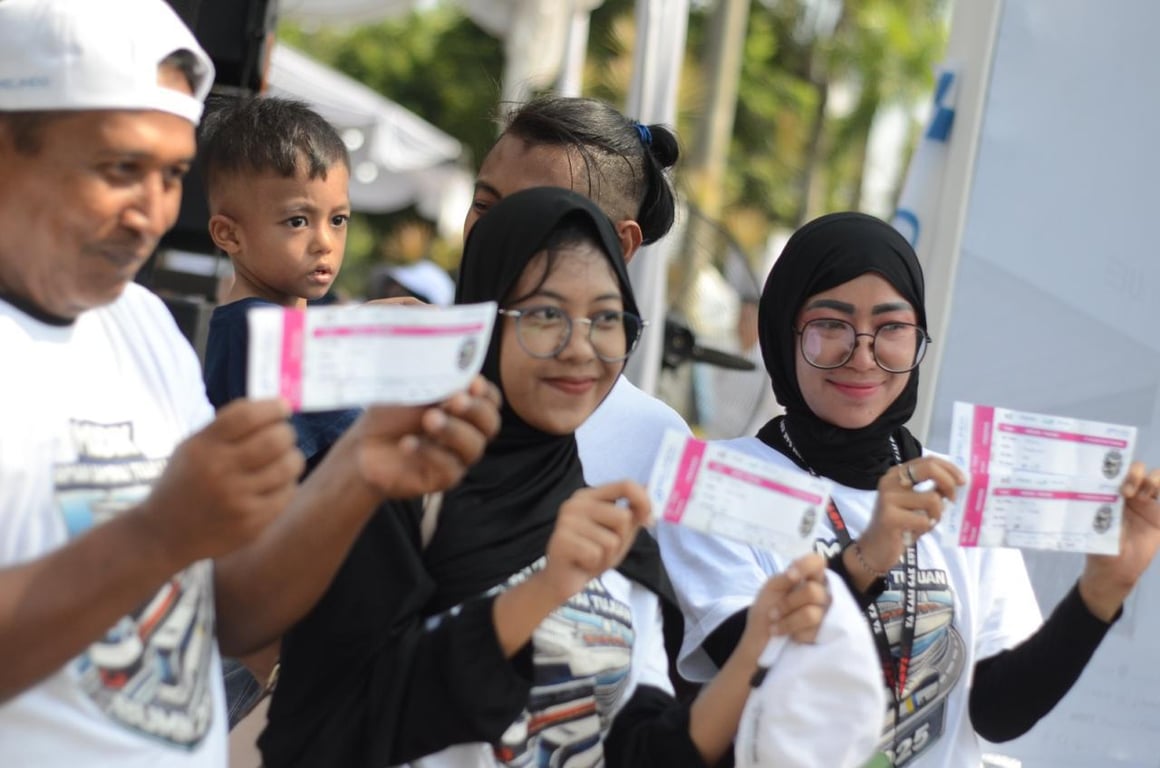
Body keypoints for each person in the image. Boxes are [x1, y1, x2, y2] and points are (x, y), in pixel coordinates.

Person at [0, 1, 500, 764]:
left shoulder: (144, 328)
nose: (154, 213)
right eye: (119, 169)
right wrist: (157, 533)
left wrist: (364, 466)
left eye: (171, 175)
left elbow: (228, 610)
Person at [260, 187, 839, 768]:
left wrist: (758, 643)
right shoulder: (402, 493)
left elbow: (643, 749)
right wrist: (544, 589)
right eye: (544, 316)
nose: (579, 349)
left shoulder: (614, 538)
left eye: (607, 319)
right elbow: (332, 725)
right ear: (484, 320)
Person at [658, 211, 1160, 767]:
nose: (863, 354)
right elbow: (754, 674)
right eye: (831, 325)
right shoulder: (718, 480)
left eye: (892, 327)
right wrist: (865, 558)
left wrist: (1102, 591)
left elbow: (997, 712)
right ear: (783, 333)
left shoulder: (955, 486)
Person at [466, 95, 690, 488]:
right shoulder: (403, 376)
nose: (496, 231)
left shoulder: (658, 446)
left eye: (539, 211)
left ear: (620, 246)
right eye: (484, 205)